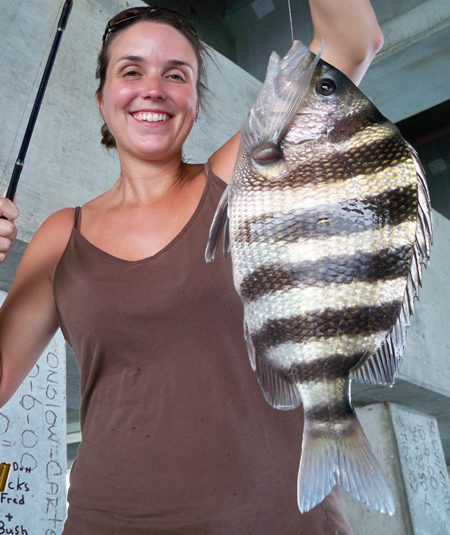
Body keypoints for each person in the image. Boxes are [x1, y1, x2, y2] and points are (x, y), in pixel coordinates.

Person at [0, 3, 383, 533]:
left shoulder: (243, 175)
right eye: (131, 70)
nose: (152, 88)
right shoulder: (61, 236)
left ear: (195, 104)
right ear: (102, 100)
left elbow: (352, 39)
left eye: (175, 74)